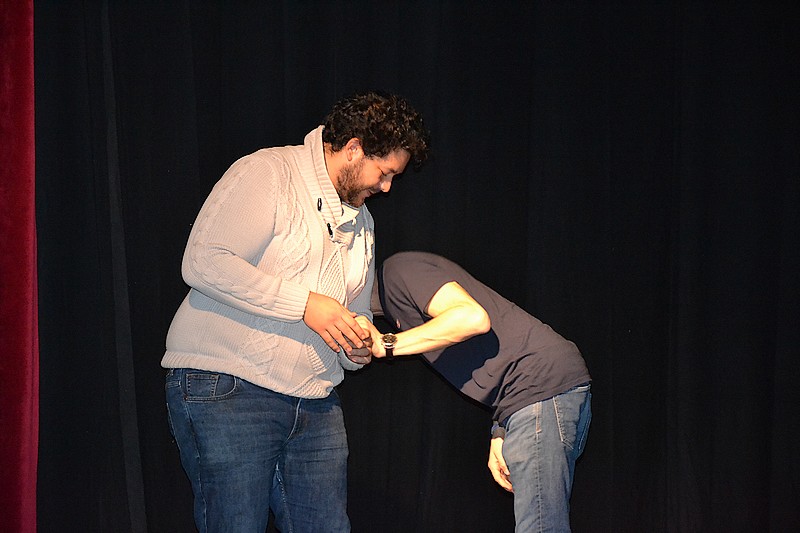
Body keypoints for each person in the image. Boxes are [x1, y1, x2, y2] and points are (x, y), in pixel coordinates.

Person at [162, 92, 429, 533]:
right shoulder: (269, 172)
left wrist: (356, 344)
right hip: (230, 387)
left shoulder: (363, 223)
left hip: (315, 401)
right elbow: (204, 261)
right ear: (354, 148)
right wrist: (305, 304)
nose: (386, 188)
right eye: (384, 173)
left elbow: (353, 311)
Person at [366, 251, 592, 532]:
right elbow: (497, 350)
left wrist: (387, 345)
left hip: (539, 386)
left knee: (540, 527)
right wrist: (501, 429)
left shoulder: (396, 270)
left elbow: (472, 318)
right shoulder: (391, 303)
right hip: (531, 393)